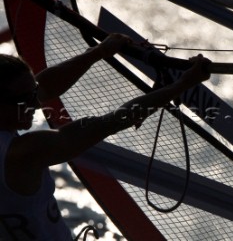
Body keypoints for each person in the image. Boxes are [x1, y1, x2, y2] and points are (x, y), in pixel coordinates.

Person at [0, 33, 211, 240]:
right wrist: (182, 85)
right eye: (25, 99)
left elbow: (43, 86)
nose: (34, 103)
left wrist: (98, 52)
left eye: (33, 93)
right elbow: (112, 122)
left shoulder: (12, 113)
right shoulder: (21, 153)